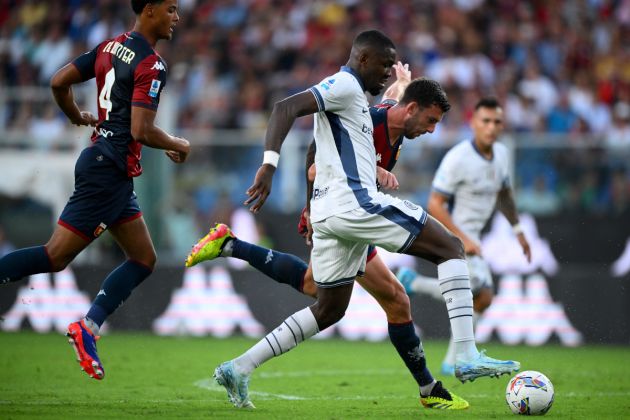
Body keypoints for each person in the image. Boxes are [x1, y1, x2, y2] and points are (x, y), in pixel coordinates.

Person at [208, 30, 518, 409]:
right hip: (352, 204)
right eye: (385, 65)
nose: (388, 73)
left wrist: (401, 87)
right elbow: (286, 112)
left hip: (333, 214)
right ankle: (466, 354)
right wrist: (271, 168)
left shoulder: (372, 105)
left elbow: (379, 109)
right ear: (365, 60)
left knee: (329, 307)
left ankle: (239, 367)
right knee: (450, 247)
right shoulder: (345, 86)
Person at [0, 0, 189, 380]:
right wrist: (178, 143)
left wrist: (76, 117)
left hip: (108, 168)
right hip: (108, 169)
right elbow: (140, 130)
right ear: (149, 9)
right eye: (170, 9)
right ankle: (88, 328)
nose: (177, 17)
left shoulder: (107, 47)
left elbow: (58, 81)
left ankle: (88, 327)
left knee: (143, 258)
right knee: (55, 257)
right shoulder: (151, 64)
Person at [397, 97, 532, 375]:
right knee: (481, 292)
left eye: (497, 122)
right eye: (486, 121)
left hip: (474, 237)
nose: (491, 127)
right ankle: (458, 359)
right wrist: (461, 238)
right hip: (455, 235)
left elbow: (504, 193)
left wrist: (518, 230)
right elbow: (435, 204)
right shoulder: (458, 158)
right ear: (473, 123)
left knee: (481, 297)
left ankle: (451, 356)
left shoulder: (502, 155)